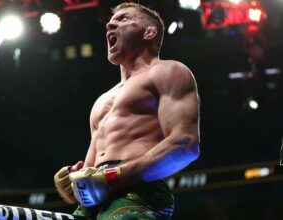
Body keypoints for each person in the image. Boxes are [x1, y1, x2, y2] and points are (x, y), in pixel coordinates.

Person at [54, 3, 200, 219]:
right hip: (97, 200)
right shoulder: (102, 100)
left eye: (123, 19)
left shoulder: (167, 71)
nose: (110, 24)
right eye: (111, 21)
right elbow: (92, 170)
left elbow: (185, 145)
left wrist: (114, 177)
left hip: (138, 190)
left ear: (149, 32)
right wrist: (72, 184)